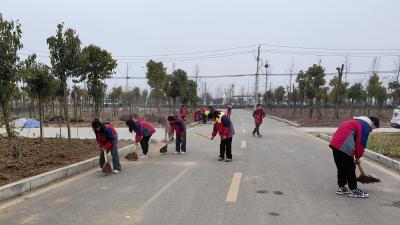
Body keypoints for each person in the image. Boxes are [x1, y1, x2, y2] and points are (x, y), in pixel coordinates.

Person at [329, 116, 380, 198]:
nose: (372, 129)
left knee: (342, 167)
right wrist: (358, 157)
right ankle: (354, 190)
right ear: (373, 122)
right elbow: (360, 143)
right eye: (374, 127)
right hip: (345, 146)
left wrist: (356, 156)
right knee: (350, 168)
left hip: (335, 144)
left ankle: (341, 187)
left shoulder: (355, 122)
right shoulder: (365, 126)